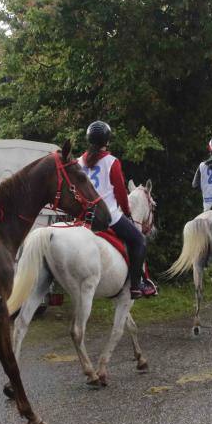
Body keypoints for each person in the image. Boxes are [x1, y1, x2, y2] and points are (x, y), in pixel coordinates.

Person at [79, 121, 156, 299]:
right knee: (139, 241)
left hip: (83, 216)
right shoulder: (112, 162)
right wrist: (127, 212)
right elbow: (121, 192)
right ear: (107, 141)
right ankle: (136, 286)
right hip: (109, 217)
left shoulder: (78, 161)